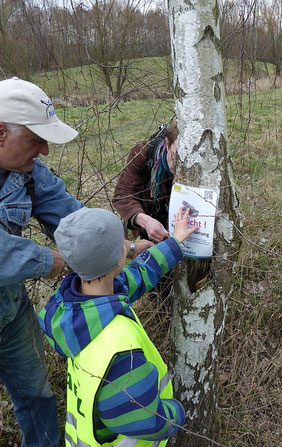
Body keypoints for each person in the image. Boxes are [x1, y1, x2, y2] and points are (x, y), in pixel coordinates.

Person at [0, 77, 151, 447]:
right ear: (0, 132)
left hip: (9, 311)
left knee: (36, 395)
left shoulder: (28, 174)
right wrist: (44, 260)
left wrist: (124, 248)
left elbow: (75, 223)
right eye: (36, 139)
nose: (46, 150)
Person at [38, 206, 196, 447]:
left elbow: (141, 273)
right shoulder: (119, 350)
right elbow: (144, 420)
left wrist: (175, 242)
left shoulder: (73, 307)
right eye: (122, 243)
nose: (126, 244)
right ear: (118, 259)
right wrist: (175, 413)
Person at [112, 123, 178, 243]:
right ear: (167, 144)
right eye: (175, 157)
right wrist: (145, 221)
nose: (179, 166)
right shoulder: (143, 154)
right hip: (150, 234)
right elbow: (122, 195)